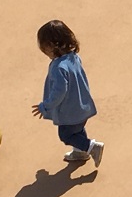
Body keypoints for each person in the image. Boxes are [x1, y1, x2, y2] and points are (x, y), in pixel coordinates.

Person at [31, 20, 104, 167]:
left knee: (66, 135)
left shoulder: (59, 67)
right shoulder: (73, 57)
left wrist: (46, 106)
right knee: (77, 129)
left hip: (69, 111)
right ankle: (80, 152)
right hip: (82, 107)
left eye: (45, 49)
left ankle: (91, 147)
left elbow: (60, 91)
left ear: (52, 46)